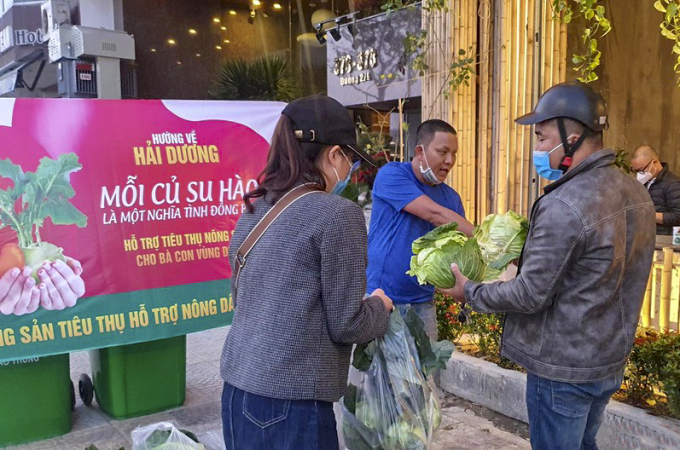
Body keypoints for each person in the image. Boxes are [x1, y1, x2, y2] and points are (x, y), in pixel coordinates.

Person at [441, 82, 656, 450]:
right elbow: (593, 269)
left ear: (571, 137)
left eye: (541, 138)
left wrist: (470, 292)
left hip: (562, 370)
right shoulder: (636, 192)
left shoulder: (566, 202)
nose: (537, 149)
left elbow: (528, 294)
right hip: (606, 360)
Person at [220, 95, 393, 450]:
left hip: (236, 393)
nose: (349, 172)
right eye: (348, 160)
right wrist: (380, 307)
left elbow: (245, 299)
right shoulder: (337, 215)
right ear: (332, 155)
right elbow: (348, 324)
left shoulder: (256, 208)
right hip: (292, 405)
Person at [366, 119, 473, 341]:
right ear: (420, 152)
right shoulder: (392, 175)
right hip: (380, 300)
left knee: (425, 374)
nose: (450, 161)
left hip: (423, 305)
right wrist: (487, 238)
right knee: (383, 375)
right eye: (443, 152)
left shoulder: (452, 199)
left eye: (454, 153)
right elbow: (433, 214)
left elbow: (454, 257)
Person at [630, 145, 680, 235]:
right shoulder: (644, 182)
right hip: (644, 236)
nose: (639, 174)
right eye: (636, 171)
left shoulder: (672, 184)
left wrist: (647, 214)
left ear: (655, 162)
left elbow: (678, 216)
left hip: (662, 238)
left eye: (641, 170)